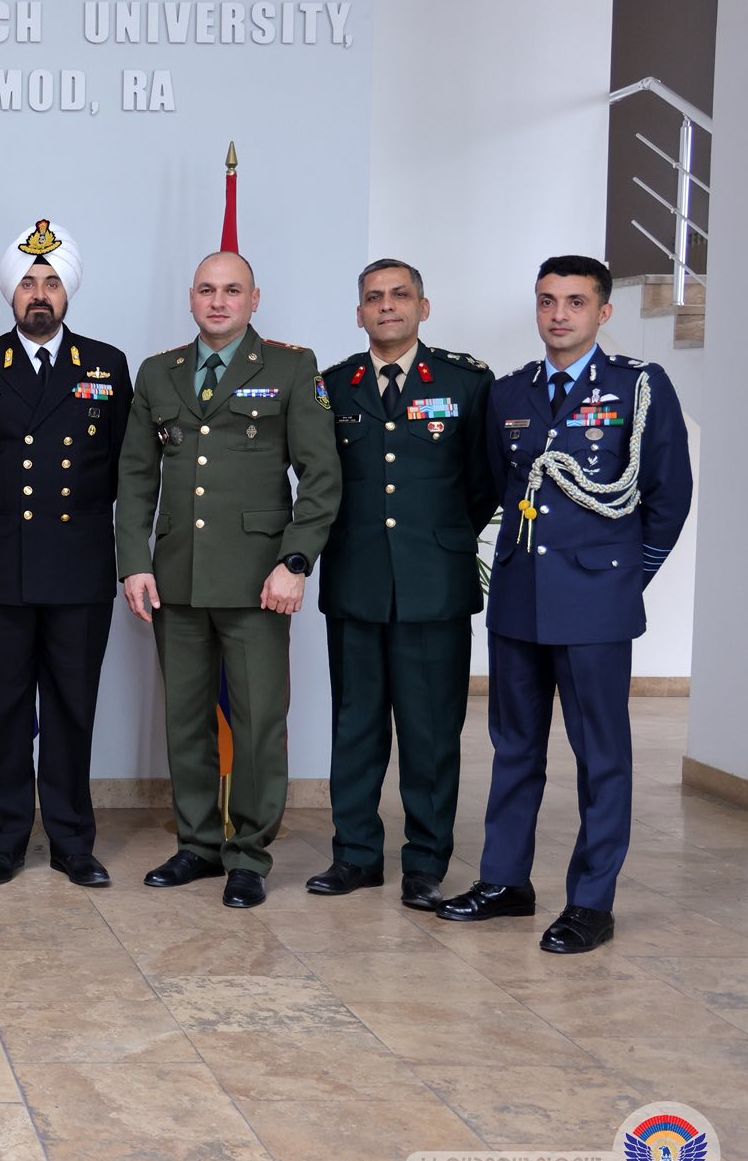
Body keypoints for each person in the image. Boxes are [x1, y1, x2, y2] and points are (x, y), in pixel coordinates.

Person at [438, 254, 691, 952]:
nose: (559, 314)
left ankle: (590, 903)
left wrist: (625, 580)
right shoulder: (510, 392)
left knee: (600, 757)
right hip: (521, 596)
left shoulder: (637, 387)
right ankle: (504, 882)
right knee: (513, 748)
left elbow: (668, 495)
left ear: (603, 312)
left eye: (575, 302)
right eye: (548, 301)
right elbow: (498, 484)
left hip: (597, 603)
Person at [116, 251, 340, 909]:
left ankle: (248, 853)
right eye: (208, 290)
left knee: (258, 722)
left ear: (254, 298)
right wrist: (134, 560)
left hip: (257, 580)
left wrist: (295, 561)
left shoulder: (291, 367)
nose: (219, 302)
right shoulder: (159, 372)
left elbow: (321, 475)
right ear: (191, 298)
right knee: (185, 719)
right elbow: (136, 476)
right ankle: (198, 844)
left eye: (232, 290)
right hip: (177, 577)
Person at [0, 219, 132, 887]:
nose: (39, 293)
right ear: (10, 292)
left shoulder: (107, 365)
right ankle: (3, 841)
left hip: (78, 567)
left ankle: (72, 842)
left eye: (51, 282)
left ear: (68, 291)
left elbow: (124, 466)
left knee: (71, 710)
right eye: (28, 282)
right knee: (1, 710)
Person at [311, 259, 496, 910]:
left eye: (399, 294)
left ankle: (425, 862)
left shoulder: (466, 382)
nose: (386, 305)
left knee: (431, 733)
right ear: (359, 313)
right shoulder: (333, 385)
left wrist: (438, 538)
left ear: (423, 306)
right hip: (356, 581)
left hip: (433, 583)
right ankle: (356, 855)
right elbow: (319, 477)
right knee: (355, 727)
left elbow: (484, 482)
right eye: (374, 297)